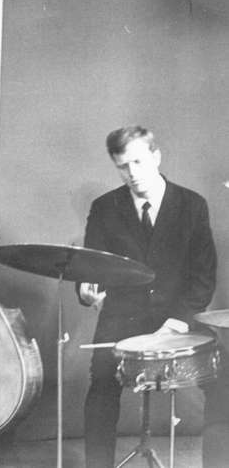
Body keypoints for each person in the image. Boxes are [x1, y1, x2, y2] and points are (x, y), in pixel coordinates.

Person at [78, 126, 229, 467]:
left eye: (138, 162)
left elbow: (203, 277)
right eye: (122, 166)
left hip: (180, 318)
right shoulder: (104, 207)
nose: (132, 173)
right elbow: (90, 268)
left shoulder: (192, 205)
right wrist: (86, 291)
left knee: (223, 385)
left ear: (156, 157)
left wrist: (176, 323)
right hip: (122, 318)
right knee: (101, 387)